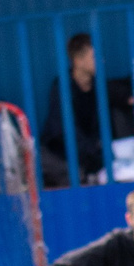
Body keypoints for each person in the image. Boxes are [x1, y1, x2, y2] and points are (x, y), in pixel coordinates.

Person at [38, 32, 106, 187]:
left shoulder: (97, 85)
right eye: (95, 57)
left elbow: (118, 90)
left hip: (85, 154)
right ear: (78, 60)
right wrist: (92, 150)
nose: (102, 61)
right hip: (57, 153)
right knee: (78, 179)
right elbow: (62, 129)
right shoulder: (63, 87)